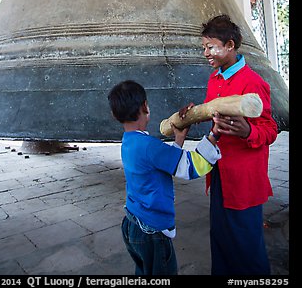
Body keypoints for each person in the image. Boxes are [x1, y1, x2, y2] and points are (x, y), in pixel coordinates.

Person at [179, 14, 278, 276]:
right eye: (204, 47)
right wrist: (194, 114)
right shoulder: (215, 79)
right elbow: (216, 119)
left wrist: (248, 131)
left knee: (247, 246)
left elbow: (270, 130)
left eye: (211, 47)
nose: (205, 53)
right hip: (220, 172)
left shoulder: (254, 82)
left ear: (230, 46)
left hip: (244, 179)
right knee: (221, 238)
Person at [108, 79, 221, 276]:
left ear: (115, 115)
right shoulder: (150, 146)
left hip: (133, 226)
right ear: (145, 106)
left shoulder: (129, 142)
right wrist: (214, 136)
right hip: (152, 233)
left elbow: (163, 164)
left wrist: (179, 139)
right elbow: (189, 167)